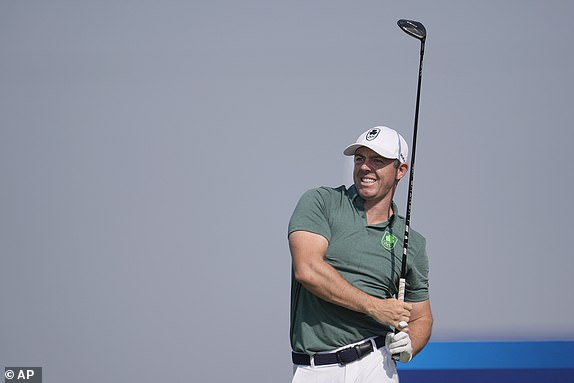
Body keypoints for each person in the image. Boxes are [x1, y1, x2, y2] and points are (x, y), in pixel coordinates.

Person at [288, 126, 433, 383]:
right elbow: (307, 269)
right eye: (360, 158)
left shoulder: (413, 242)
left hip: (376, 364)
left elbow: (421, 316)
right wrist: (375, 307)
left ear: (401, 170)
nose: (365, 167)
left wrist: (410, 344)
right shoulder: (321, 202)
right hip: (315, 369)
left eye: (377, 160)